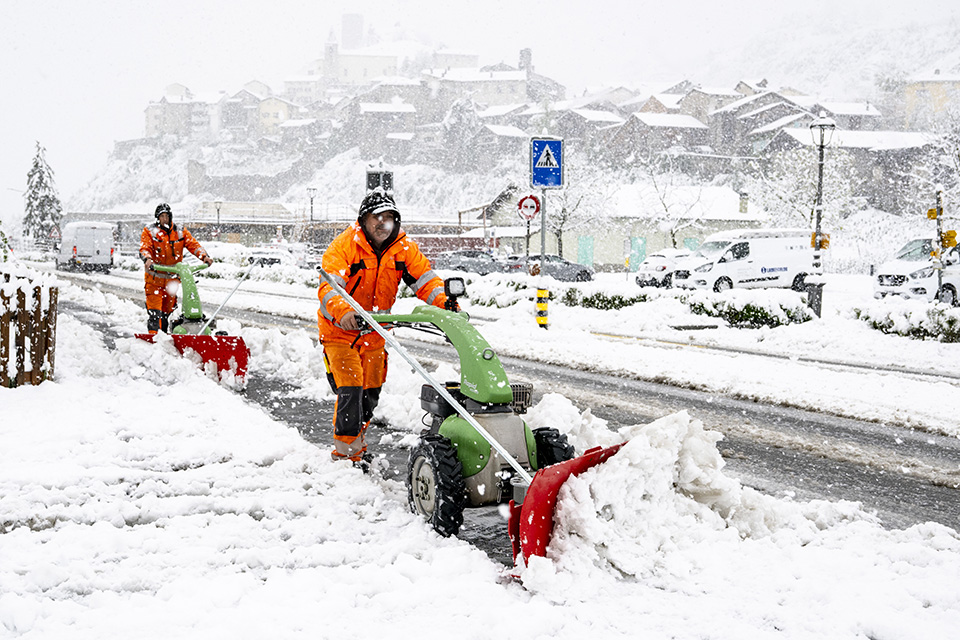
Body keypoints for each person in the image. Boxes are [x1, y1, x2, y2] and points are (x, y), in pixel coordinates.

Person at [317, 190, 453, 468]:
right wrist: (344, 312)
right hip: (340, 333)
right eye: (377, 217)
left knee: (370, 393)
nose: (383, 223)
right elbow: (329, 287)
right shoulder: (345, 246)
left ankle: (357, 442)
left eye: (389, 217)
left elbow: (425, 280)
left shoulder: (403, 248)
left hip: (375, 333)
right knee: (351, 389)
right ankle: (345, 455)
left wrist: (446, 305)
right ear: (364, 220)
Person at [139, 203, 214, 334]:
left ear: (170, 217)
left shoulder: (179, 231)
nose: (164, 219)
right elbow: (145, 248)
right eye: (161, 216)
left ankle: (165, 338)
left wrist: (204, 256)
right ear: (157, 218)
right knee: (155, 314)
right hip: (154, 281)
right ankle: (153, 340)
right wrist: (148, 259)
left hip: (171, 282)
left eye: (166, 216)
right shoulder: (150, 231)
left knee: (167, 314)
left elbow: (193, 244)